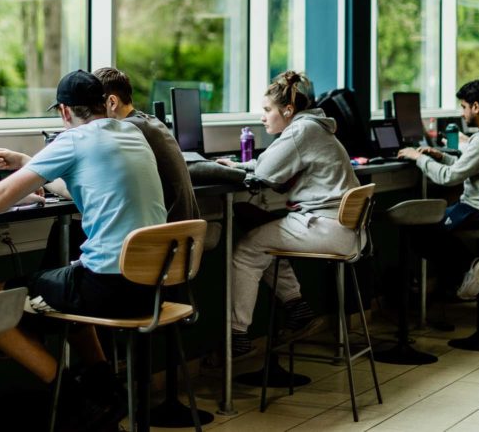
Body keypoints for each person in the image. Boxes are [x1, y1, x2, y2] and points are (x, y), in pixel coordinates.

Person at [0, 70, 167, 428]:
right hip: (150, 286)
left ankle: (74, 400)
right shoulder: (131, 132)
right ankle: (104, 387)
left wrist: (19, 178)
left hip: (108, 287)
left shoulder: (73, 140)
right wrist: (26, 163)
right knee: (68, 287)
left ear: (64, 112)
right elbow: (86, 177)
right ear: (103, 102)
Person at [215, 71, 359, 357]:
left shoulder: (301, 130)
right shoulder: (316, 126)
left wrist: (235, 166)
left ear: (288, 110)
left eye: (268, 110)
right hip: (342, 229)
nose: (263, 117)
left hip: (327, 227)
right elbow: (273, 168)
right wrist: (245, 166)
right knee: (259, 237)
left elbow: (268, 171)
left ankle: (237, 336)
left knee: (246, 251)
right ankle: (296, 307)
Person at [398, 80, 479, 300]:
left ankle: (472, 267)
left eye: (464, 107)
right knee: (436, 225)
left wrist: (417, 158)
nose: (462, 113)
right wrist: (441, 156)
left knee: (420, 232)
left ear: (476, 107)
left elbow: (448, 177)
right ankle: (478, 267)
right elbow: (473, 163)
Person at [92, 66, 199, 222]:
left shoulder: (128, 129)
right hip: (184, 232)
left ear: (112, 102)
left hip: (165, 235)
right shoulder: (149, 121)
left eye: (94, 107)